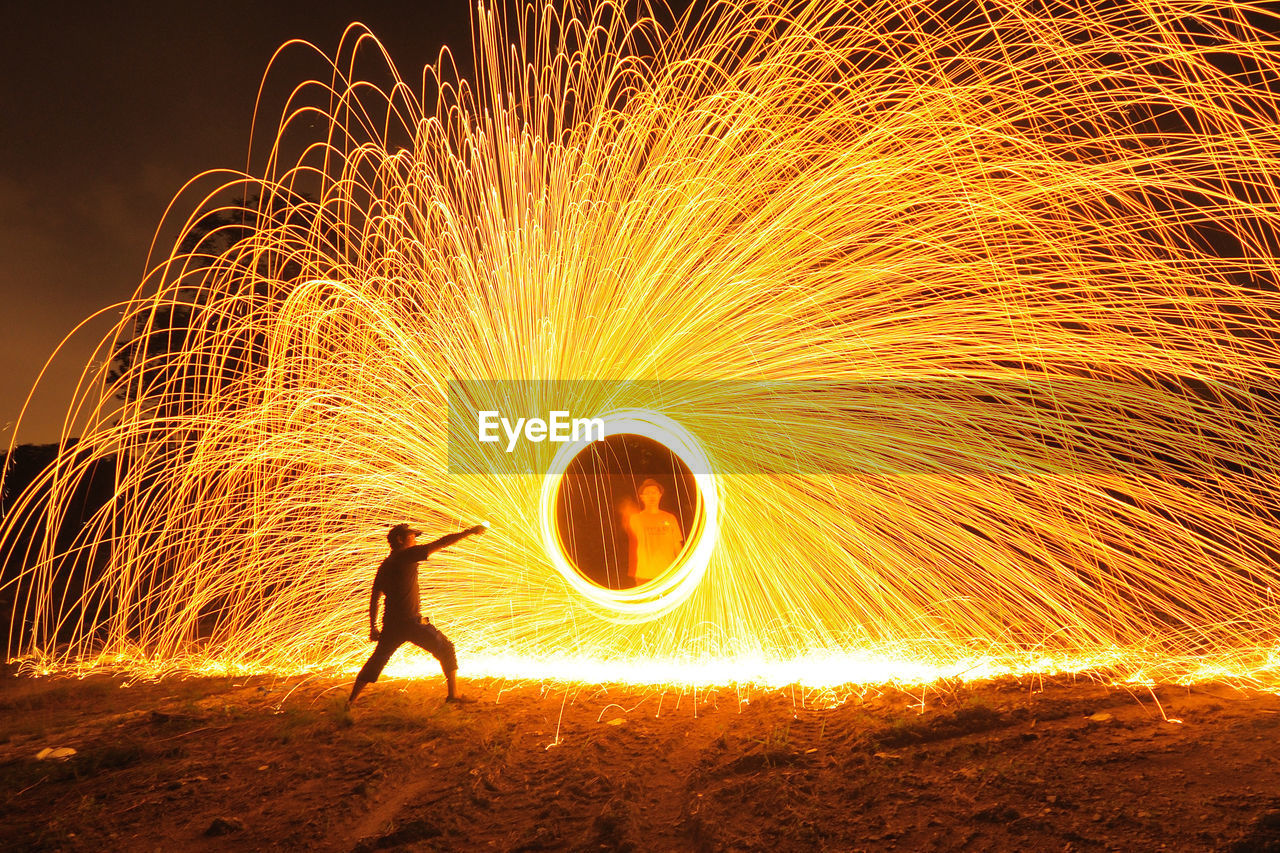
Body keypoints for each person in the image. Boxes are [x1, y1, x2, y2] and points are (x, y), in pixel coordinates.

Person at [348, 522, 486, 707]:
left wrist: (373, 626)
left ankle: (350, 701)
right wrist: (469, 532)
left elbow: (375, 596)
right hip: (411, 623)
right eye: (412, 536)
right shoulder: (406, 556)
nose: (415, 540)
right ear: (400, 540)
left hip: (391, 624)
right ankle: (453, 695)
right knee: (446, 648)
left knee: (377, 659)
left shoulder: (386, 564)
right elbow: (442, 543)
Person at [622, 479, 684, 586]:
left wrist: (683, 568)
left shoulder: (670, 518)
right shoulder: (636, 519)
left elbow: (677, 545)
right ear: (642, 497)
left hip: (668, 573)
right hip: (644, 575)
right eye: (647, 493)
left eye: (654, 492)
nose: (651, 496)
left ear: (660, 495)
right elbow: (629, 534)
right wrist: (626, 513)